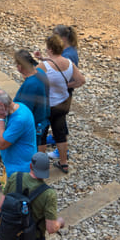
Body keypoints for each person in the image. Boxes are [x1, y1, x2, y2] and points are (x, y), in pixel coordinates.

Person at [36, 35, 86, 173]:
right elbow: (81, 80)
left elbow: (33, 81)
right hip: (62, 105)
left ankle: (40, 168)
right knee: (60, 133)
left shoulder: (43, 66)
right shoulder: (69, 63)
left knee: (41, 136)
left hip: (47, 106)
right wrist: (66, 84)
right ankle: (64, 163)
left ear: (50, 49)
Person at [0, 89, 36, 187]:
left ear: (0, 105)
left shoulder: (19, 119)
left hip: (20, 170)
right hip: (15, 165)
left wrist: (0, 118)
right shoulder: (19, 106)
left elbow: (1, 144)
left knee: (15, 198)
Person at [13, 50, 50, 152]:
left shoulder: (30, 85)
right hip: (43, 119)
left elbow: (24, 111)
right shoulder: (41, 73)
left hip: (33, 124)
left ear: (20, 66)